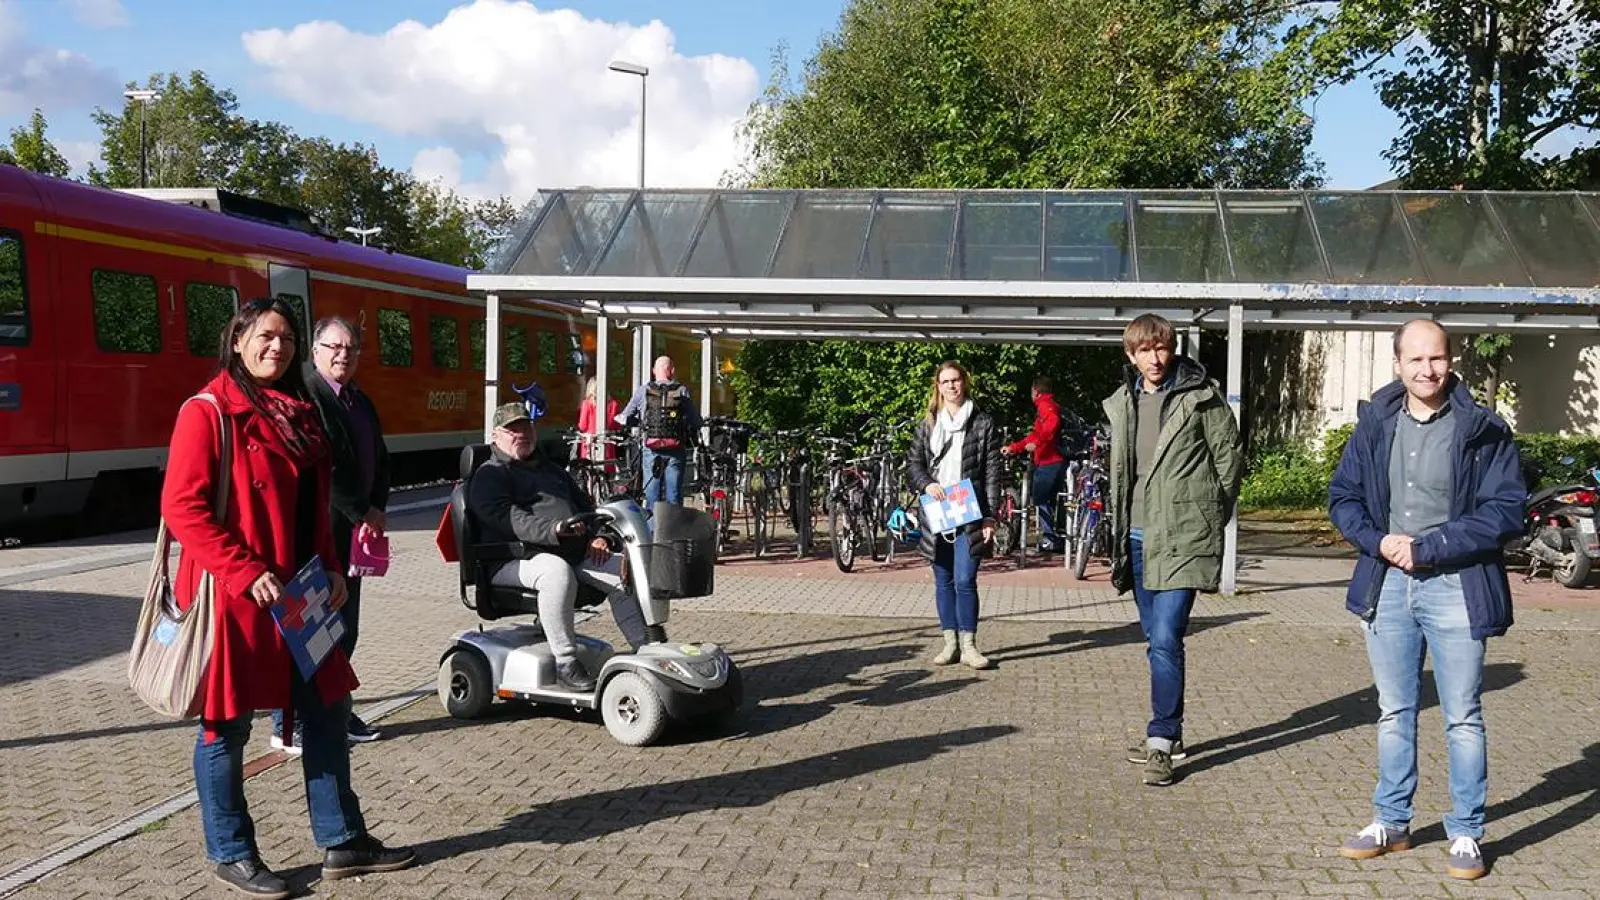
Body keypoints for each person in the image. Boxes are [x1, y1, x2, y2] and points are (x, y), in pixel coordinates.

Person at [161, 297, 413, 898]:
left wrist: (330, 566)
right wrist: (244, 571)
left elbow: (312, 508)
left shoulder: (299, 413)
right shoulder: (208, 411)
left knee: (327, 708)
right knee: (227, 726)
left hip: (302, 590)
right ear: (239, 338)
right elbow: (182, 508)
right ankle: (230, 851)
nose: (279, 348)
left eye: (288, 340)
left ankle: (342, 841)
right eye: (266, 336)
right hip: (236, 595)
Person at [1328, 319, 1523, 882]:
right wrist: (1377, 540)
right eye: (1415, 360)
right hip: (1387, 586)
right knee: (1395, 710)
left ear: (1450, 359)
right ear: (1397, 364)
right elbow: (1343, 497)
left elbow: (1505, 509)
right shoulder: (1374, 424)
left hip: (1457, 587)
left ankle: (1466, 831)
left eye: (1436, 358)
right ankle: (1392, 822)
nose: (1426, 370)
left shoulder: (1482, 428)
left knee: (1462, 715)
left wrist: (1434, 545)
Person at [1104, 313, 1241, 788]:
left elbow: (1229, 464)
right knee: (1154, 639)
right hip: (1138, 539)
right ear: (1131, 355)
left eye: (1161, 348)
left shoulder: (1203, 399)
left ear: (1173, 348)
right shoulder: (1124, 402)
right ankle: (1173, 730)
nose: (1154, 358)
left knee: (1165, 638)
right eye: (1144, 350)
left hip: (1183, 538)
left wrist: (1204, 519)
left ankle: (1160, 740)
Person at [467, 401, 659, 692]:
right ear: (496, 436)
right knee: (555, 572)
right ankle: (565, 663)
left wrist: (601, 537)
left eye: (526, 427)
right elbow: (512, 521)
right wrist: (555, 530)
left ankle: (649, 652)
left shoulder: (552, 471)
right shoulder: (490, 475)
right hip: (511, 558)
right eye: (512, 430)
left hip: (571, 552)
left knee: (624, 571)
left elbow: (587, 508)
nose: (522, 434)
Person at [280, 316, 389, 747]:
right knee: (312, 629)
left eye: (351, 348)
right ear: (316, 351)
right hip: (319, 532)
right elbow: (331, 464)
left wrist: (377, 507)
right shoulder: (311, 396)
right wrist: (363, 509)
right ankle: (294, 723)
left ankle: (336, 709)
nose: (343, 354)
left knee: (345, 627)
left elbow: (380, 456)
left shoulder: (359, 400)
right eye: (334, 346)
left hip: (354, 535)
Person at [906, 360, 1003, 670]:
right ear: (938, 387)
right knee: (944, 580)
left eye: (955, 380)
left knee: (965, 579)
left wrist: (990, 516)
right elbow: (913, 465)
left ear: (964, 383)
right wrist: (927, 483)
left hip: (969, 511)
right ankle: (949, 643)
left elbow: (992, 471)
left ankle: (970, 645)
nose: (951, 386)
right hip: (936, 512)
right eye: (945, 381)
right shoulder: (928, 423)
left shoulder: (983, 423)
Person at [617, 355, 702, 506]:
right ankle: (671, 528)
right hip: (675, 449)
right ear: (672, 371)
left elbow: (625, 417)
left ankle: (651, 528)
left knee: (651, 495)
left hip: (651, 448)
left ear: (654, 371)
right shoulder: (682, 391)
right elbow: (695, 421)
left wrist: (641, 423)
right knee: (674, 495)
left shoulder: (643, 391)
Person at [1001, 375, 1067, 553]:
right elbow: (1035, 436)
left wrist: (1037, 444)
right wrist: (1015, 447)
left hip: (1048, 460)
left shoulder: (1045, 406)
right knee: (1054, 500)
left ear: (1036, 391)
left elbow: (1049, 428)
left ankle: (1048, 538)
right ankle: (1058, 537)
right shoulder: (1051, 405)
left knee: (1040, 498)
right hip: (1056, 460)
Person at [577, 375, 620, 462]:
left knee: (590, 469)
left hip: (590, 443)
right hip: (607, 442)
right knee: (606, 469)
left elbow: (582, 426)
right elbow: (617, 426)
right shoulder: (613, 404)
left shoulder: (587, 404)